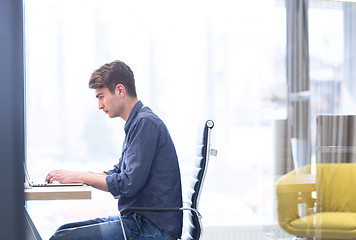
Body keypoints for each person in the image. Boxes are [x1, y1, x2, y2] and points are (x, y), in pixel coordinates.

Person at [46, 60, 183, 240]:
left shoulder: (145, 123)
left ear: (120, 90)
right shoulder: (137, 123)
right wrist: (79, 174)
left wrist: (81, 177)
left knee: (63, 238)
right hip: (138, 223)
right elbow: (119, 173)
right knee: (63, 231)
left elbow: (127, 184)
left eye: (101, 96)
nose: (100, 105)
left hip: (151, 228)